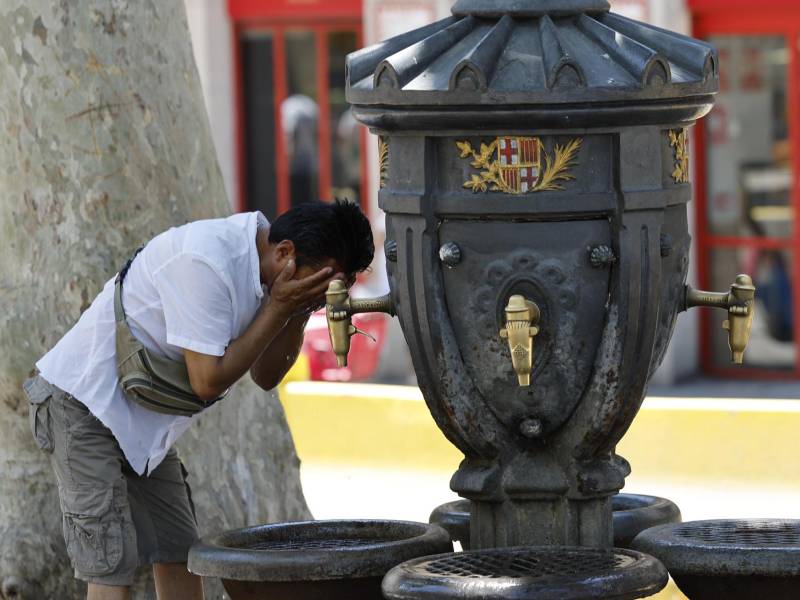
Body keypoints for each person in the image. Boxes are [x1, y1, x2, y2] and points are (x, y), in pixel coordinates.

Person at [23, 201, 374, 600]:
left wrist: (296, 311)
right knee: (110, 559)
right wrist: (280, 307)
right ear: (284, 252)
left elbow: (265, 376)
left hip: (143, 421)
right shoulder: (207, 261)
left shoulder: (272, 276)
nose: (319, 294)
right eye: (318, 283)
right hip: (81, 404)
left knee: (178, 548)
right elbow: (207, 380)